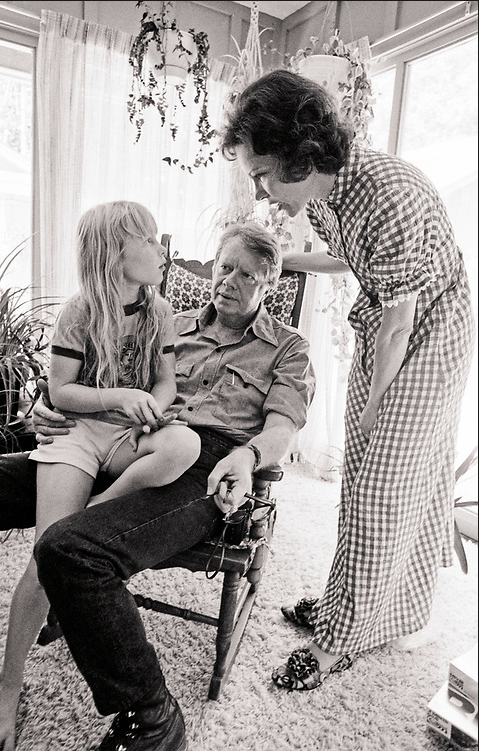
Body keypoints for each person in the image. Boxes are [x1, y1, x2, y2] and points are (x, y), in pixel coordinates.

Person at [0, 220, 314, 751]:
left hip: (212, 466)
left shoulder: (287, 348)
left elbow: (282, 428)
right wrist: (44, 405)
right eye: (224, 267)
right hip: (122, 441)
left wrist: (249, 459)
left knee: (69, 548)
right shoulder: (165, 320)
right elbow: (92, 378)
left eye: (247, 276)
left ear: (270, 283)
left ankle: (152, 715)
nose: (229, 281)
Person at [219, 68, 475, 691]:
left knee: (381, 485)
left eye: (260, 173)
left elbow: (401, 321)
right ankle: (357, 609)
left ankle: (340, 641)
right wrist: (279, 264)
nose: (260, 190)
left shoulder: (386, 192)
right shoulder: (334, 188)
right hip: (392, 324)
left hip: (429, 330)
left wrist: (368, 413)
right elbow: (352, 257)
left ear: (298, 152)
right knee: (365, 481)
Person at [0, 200, 202, 751]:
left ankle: (90, 523)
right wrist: (119, 397)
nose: (159, 248)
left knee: (184, 443)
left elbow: (167, 380)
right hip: (77, 433)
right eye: (146, 241)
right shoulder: (80, 311)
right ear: (112, 255)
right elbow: (61, 392)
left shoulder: (161, 309)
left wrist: (153, 403)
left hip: (129, 437)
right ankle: (7, 691)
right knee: (42, 556)